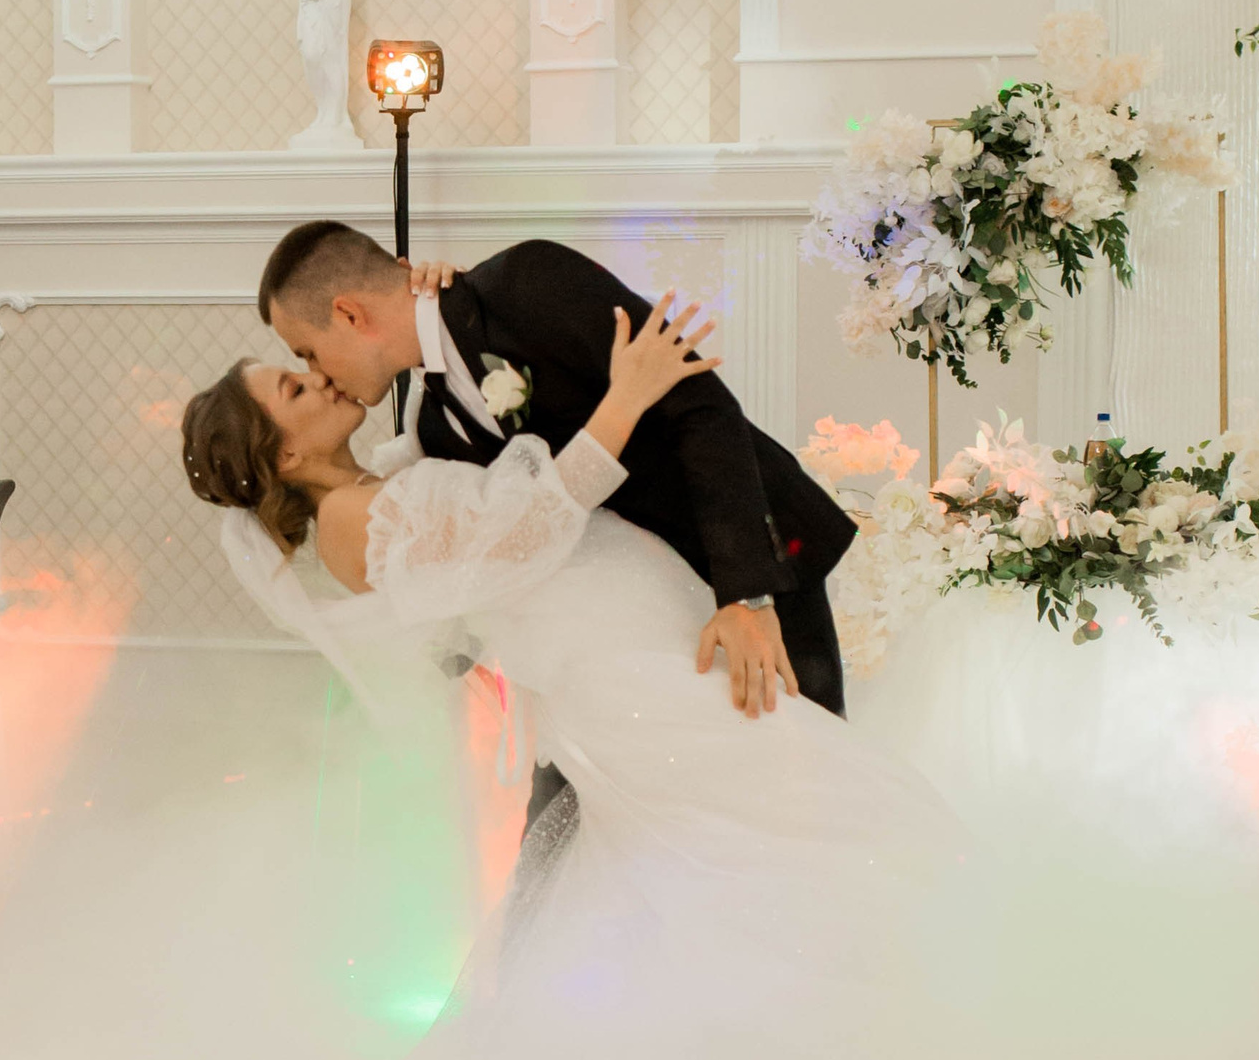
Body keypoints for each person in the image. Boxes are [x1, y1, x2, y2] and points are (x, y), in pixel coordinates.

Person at [180, 286, 945, 1006]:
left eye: (305, 366)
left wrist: (430, 300)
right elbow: (520, 535)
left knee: (762, 830)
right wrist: (625, 399)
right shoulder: (350, 523)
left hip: (644, 645)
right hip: (619, 679)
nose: (318, 378)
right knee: (781, 826)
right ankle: (821, 1006)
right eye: (295, 388)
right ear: (284, 456)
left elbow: (443, 455)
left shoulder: (375, 481)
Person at [254, 221, 856, 725]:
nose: (319, 374)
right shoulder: (435, 427)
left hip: (753, 567)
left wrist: (747, 596)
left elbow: (699, 406)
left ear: (348, 313)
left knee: (808, 773)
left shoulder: (526, 280)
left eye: (308, 352)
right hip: (646, 630)